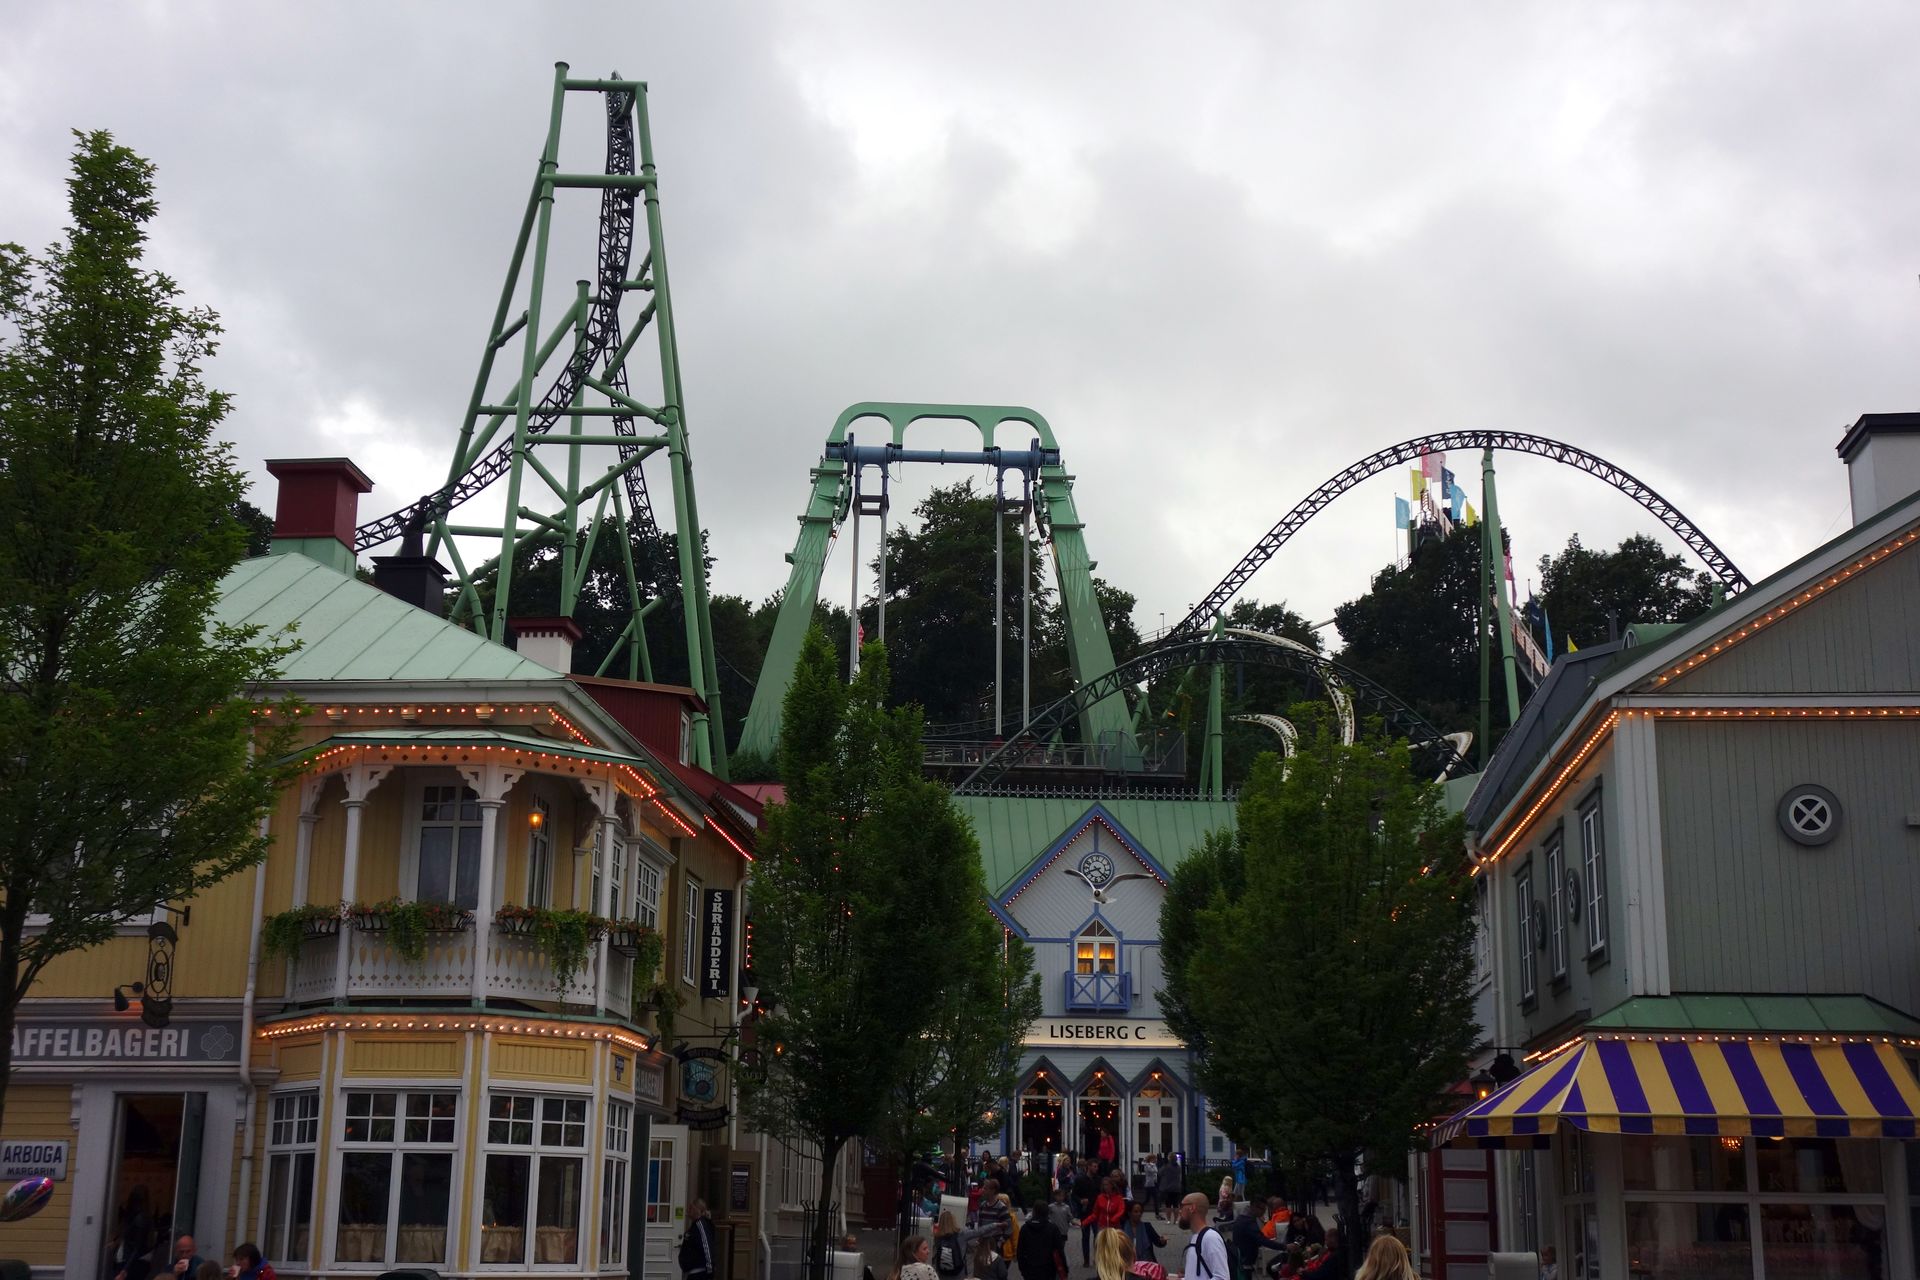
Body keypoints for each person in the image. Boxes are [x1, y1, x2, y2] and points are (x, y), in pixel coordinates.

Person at [1178, 1193, 1231, 1280]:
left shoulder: (1211, 1238)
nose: (1179, 1211)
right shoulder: (1194, 1237)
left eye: (1182, 1206)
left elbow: (1222, 1277)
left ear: (1192, 1208)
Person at [1229, 1198, 1286, 1280]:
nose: (1263, 1212)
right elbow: (1262, 1240)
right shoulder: (1247, 1221)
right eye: (1262, 1209)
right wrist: (1284, 1247)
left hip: (1242, 1259)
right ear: (1254, 1207)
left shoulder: (1244, 1217)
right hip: (1244, 1261)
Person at [1015, 1203, 1059, 1280]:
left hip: (1030, 1268)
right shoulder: (1053, 1228)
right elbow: (1058, 1250)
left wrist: (1022, 1268)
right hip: (1048, 1269)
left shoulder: (1025, 1228)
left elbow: (1020, 1251)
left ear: (1034, 1212)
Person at [679, 1199, 716, 1280]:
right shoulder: (694, 1226)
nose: (688, 1210)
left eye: (691, 1208)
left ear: (698, 1210)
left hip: (700, 1272)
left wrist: (710, 1268)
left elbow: (706, 1245)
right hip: (692, 1271)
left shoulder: (701, 1225)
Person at [1071, 1161, 1100, 1267]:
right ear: (1088, 1167)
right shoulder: (1080, 1179)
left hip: (1096, 1211)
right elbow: (1074, 1194)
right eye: (1094, 1166)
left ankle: (1097, 1258)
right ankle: (1086, 1259)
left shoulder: (1098, 1180)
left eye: (1097, 1166)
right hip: (1085, 1211)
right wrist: (1080, 1201)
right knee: (1085, 1235)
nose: (1096, 1168)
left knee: (1097, 1235)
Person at [1125, 1201, 1165, 1267]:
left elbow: (1158, 1242)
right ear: (1129, 1213)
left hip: (1146, 1263)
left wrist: (1162, 1241)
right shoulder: (1122, 1228)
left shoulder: (1147, 1227)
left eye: (1140, 1212)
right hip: (1126, 1263)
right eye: (1136, 1212)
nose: (1139, 1214)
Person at [1155, 1157, 1182, 1224]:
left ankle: (1169, 1220)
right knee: (1176, 1205)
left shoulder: (1166, 1167)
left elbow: (1159, 1173)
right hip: (1177, 1188)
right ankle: (1176, 1220)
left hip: (1168, 1188)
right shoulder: (1178, 1167)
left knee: (1168, 1205)